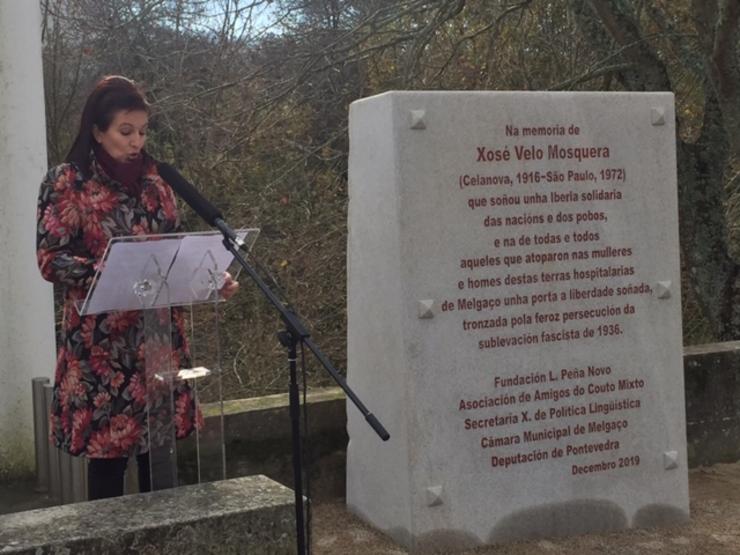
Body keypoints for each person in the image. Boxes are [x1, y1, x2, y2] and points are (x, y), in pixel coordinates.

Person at [36, 75, 238, 500]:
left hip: (159, 341)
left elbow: (175, 251)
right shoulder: (66, 183)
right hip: (101, 348)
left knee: (159, 458)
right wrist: (110, 272)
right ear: (97, 131)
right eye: (125, 131)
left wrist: (209, 278)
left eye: (142, 132)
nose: (136, 142)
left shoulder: (158, 185)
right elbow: (51, 259)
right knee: (107, 463)